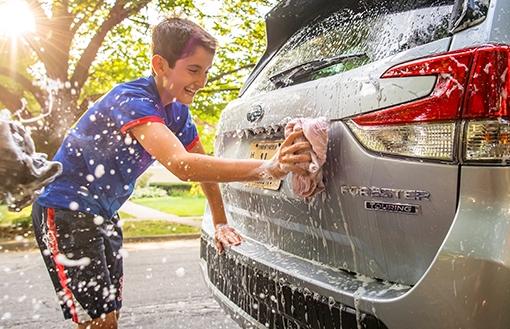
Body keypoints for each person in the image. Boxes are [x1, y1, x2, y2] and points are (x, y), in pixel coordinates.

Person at [32, 17, 312, 329]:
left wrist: (220, 222)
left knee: (109, 315)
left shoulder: (178, 112)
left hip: (103, 214)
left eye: (206, 71)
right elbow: (182, 165)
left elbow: (202, 164)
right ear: (160, 65)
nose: (202, 81)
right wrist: (269, 167)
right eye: (193, 70)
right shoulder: (132, 99)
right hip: (65, 209)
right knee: (98, 322)